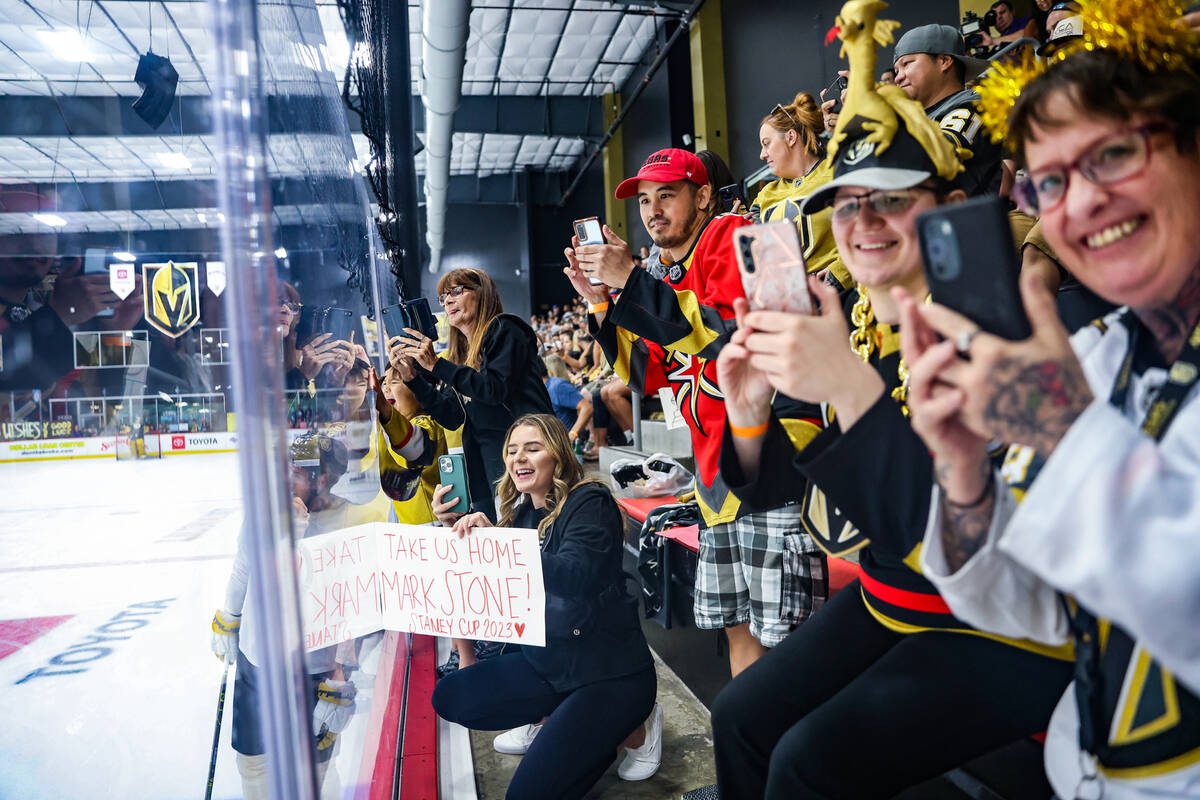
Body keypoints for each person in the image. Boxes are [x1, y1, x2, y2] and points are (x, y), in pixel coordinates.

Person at [707, 13, 1075, 797]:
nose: (864, 224)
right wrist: (752, 411)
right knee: (737, 715)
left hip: (1006, 627)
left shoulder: (1003, 316)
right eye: (847, 207)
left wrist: (845, 384)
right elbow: (779, 491)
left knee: (807, 763)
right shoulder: (846, 313)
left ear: (945, 206)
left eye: (891, 203)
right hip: (892, 597)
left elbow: (981, 543)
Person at [902, 6, 1200, 795]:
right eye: (1050, 181)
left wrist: (1065, 432)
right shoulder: (1103, 359)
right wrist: (965, 473)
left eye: (1110, 154)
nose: (1080, 202)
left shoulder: (1075, 385)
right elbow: (1041, 606)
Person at [567, 147, 827, 677]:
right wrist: (602, 305)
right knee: (739, 631)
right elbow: (650, 374)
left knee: (789, 645)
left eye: (667, 194)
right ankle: (751, 753)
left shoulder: (746, 238)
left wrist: (634, 284)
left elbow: (741, 342)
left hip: (774, 470)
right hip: (716, 483)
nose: (652, 210)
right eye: (643, 199)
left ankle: (792, 758)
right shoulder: (667, 273)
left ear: (704, 195)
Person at [431, 414, 660, 798]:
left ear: (557, 455)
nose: (519, 458)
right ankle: (553, 718)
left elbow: (575, 575)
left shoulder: (590, 500)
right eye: (512, 450)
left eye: (533, 448)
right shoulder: (519, 513)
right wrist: (455, 532)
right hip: (551, 666)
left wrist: (504, 546)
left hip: (607, 675)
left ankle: (634, 729)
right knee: (451, 695)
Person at [211, 433, 365, 800]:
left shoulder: (345, 524)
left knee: (316, 773)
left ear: (322, 480)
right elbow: (243, 568)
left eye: (294, 473)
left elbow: (356, 606)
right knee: (254, 765)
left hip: (314, 670)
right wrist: (229, 618)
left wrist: (340, 676)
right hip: (257, 661)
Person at [396, 269, 553, 522]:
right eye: (443, 296)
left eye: (456, 291)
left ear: (482, 294)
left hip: (526, 457)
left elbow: (493, 389)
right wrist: (413, 379)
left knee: (530, 539)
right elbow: (452, 417)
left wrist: (436, 365)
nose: (448, 300)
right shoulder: (460, 356)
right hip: (485, 468)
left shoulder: (506, 328)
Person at [750, 92, 853, 288]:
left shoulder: (837, 171)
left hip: (840, 298)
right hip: (786, 299)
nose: (763, 155)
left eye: (767, 144)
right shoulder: (765, 193)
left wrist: (840, 273)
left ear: (790, 137)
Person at [892, 24, 1006, 197]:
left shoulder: (972, 108)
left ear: (944, 61)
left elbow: (928, 159)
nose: (898, 77)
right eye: (896, 70)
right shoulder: (916, 119)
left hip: (969, 221)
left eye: (906, 64)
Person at [542, 354, 591, 442]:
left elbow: (587, 408)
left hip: (562, 444)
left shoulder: (557, 386)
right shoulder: (543, 388)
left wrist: (572, 434)